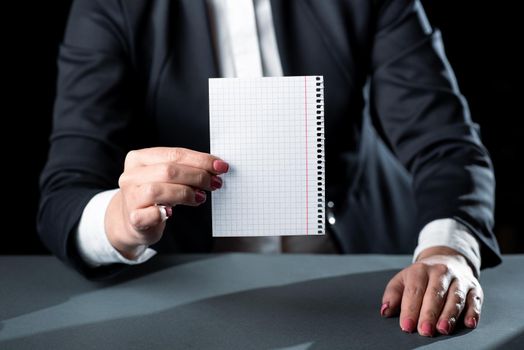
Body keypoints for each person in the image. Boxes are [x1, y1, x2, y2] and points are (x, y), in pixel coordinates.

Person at [38, 0, 501, 337]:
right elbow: (65, 191)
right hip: (191, 295)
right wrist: (120, 219)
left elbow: (446, 142)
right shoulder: (110, 6)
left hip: (365, 278)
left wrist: (446, 252)